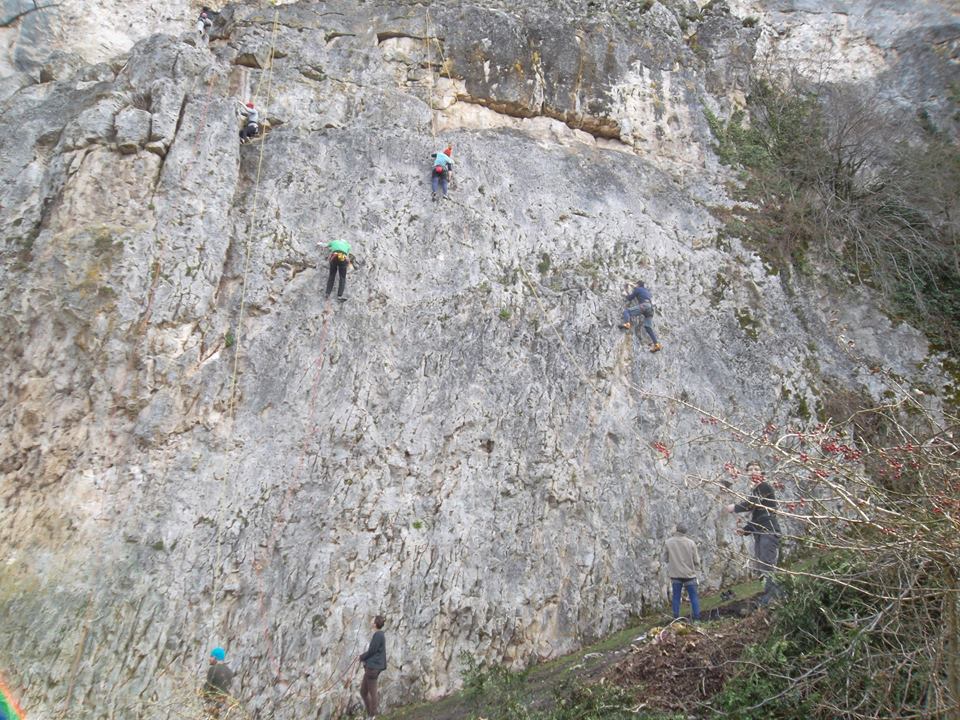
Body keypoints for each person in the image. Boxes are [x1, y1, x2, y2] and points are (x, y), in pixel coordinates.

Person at [725, 460, 782, 604]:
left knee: (767, 565)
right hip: (761, 532)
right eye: (750, 469)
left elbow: (752, 504)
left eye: (757, 469)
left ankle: (774, 597)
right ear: (746, 473)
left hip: (768, 531)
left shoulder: (764, 486)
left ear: (762, 473)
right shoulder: (756, 491)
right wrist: (745, 530)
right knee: (761, 566)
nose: (753, 472)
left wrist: (735, 507)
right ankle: (769, 595)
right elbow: (757, 516)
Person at [663, 524, 701, 621]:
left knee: (676, 597)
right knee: (693, 597)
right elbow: (696, 560)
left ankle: (676, 618)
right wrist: (697, 571)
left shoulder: (668, 542)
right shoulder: (691, 543)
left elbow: (665, 559)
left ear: (676, 530)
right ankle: (697, 619)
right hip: (689, 574)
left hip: (675, 574)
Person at [358, 615, 387, 719]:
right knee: (363, 692)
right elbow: (373, 652)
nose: (370, 621)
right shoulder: (378, 634)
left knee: (372, 692)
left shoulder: (378, 635)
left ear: (375, 624)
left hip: (373, 668)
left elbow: (372, 651)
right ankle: (370, 713)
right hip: (372, 667)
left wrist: (361, 657)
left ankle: (372, 715)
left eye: (372, 619)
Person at [619, 281, 662, 352]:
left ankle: (627, 323)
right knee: (648, 327)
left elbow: (630, 298)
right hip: (650, 309)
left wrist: (626, 293)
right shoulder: (647, 291)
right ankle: (656, 344)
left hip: (644, 306)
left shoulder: (638, 289)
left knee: (627, 311)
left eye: (636, 284)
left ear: (638, 285)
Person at [202, 647, 234, 719]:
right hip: (225, 706)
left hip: (214, 704)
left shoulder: (213, 669)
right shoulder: (230, 672)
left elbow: (206, 689)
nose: (209, 658)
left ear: (215, 658)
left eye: (211, 656)